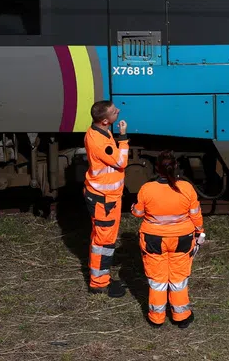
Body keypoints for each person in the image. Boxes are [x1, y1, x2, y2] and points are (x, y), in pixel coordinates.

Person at [131, 151, 205, 328]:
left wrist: (134, 208)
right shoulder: (186, 188)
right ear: (176, 167)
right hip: (182, 239)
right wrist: (200, 232)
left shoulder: (147, 189)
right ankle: (181, 316)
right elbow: (196, 215)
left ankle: (156, 318)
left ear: (156, 169)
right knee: (179, 279)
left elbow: (138, 213)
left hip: (153, 239)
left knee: (157, 280)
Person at [83, 99, 129, 297]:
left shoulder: (99, 131)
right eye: (113, 111)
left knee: (101, 238)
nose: (117, 111)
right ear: (104, 121)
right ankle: (99, 282)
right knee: (104, 242)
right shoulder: (100, 141)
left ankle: (99, 278)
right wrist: (124, 138)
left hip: (106, 197)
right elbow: (121, 161)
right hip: (104, 200)